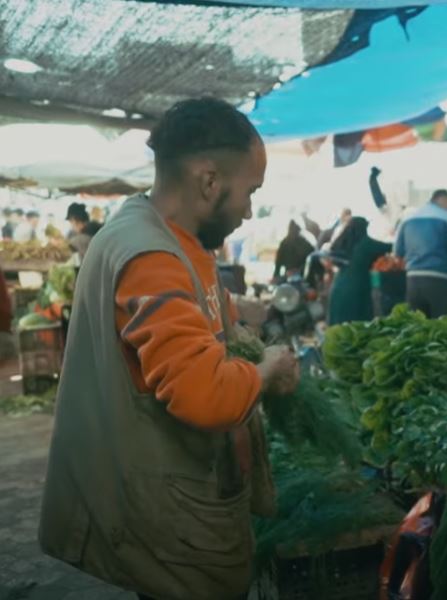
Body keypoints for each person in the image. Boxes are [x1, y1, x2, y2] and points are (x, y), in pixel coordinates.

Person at [38, 98, 300, 600]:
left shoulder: (171, 237)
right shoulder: (150, 255)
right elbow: (204, 395)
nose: (249, 209)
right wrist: (265, 371)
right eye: (250, 191)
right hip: (172, 508)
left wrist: (246, 339)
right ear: (208, 181)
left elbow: (207, 316)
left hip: (180, 496)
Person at [394, 189, 447, 318]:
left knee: (418, 326)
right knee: (443, 327)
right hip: (439, 279)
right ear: (444, 200)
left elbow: (397, 251)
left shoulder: (407, 218)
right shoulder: (446, 218)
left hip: (413, 280)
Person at [328, 216, 393, 325]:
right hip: (356, 289)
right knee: (357, 326)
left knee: (340, 328)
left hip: (338, 287)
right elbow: (388, 247)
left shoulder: (346, 244)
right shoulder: (365, 244)